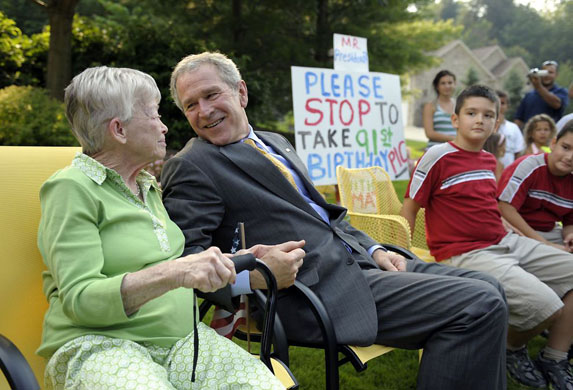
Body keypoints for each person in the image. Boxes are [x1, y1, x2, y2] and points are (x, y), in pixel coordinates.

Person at [160, 52, 509, 390]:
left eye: (211, 94)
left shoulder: (274, 141)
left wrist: (373, 248)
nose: (203, 111)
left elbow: (322, 213)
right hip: (313, 291)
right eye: (191, 104)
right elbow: (186, 259)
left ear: (241, 92)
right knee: (479, 305)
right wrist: (253, 276)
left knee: (492, 288)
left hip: (360, 263)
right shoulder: (193, 164)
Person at [36, 66, 302, 390]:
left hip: (182, 342)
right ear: (119, 129)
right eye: (153, 114)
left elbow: (175, 265)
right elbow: (81, 300)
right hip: (101, 345)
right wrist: (177, 271)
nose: (164, 127)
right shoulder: (72, 188)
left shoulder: (146, 186)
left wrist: (236, 260)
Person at [401, 85, 573, 390]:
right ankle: (511, 346)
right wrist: (400, 255)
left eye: (488, 115)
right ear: (455, 119)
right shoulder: (437, 156)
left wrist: (514, 230)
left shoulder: (487, 160)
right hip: (465, 253)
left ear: (496, 123)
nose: (479, 120)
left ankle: (553, 356)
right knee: (546, 306)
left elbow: (487, 205)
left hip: (504, 241)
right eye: (471, 113)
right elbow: (410, 208)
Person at [498, 121, 573, 252]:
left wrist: (570, 236)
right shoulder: (529, 166)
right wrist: (543, 243)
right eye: (565, 147)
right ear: (553, 144)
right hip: (514, 232)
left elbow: (569, 222)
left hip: (551, 233)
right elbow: (504, 207)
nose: (569, 157)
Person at [515, 60, 569, 128]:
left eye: (550, 72)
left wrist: (538, 87)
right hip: (530, 135)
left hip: (551, 135)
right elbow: (519, 119)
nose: (547, 75)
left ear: (556, 75)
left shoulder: (561, 91)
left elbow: (557, 104)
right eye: (544, 72)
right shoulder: (529, 95)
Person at [422, 70, 457, 149]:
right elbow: (429, 133)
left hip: (455, 152)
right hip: (435, 152)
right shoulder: (430, 106)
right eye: (443, 83)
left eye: (450, 83)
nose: (447, 86)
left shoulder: (460, 106)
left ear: (455, 84)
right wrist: (455, 140)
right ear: (437, 86)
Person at [496, 90, 525, 167]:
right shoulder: (486, 125)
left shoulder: (513, 127)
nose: (499, 106)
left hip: (509, 164)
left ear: (507, 106)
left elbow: (518, 151)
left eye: (502, 103)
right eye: (496, 103)